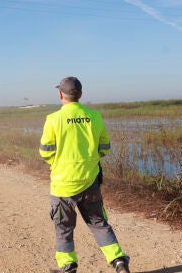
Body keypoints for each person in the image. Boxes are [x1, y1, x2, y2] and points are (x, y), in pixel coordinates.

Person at [39, 77, 130, 273]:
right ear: (80, 94)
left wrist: (58, 163)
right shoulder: (95, 116)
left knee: (63, 229)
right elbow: (104, 147)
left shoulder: (53, 119)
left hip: (62, 186)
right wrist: (89, 160)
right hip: (90, 182)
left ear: (60, 94)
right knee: (98, 223)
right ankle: (119, 262)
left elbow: (45, 152)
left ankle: (68, 266)